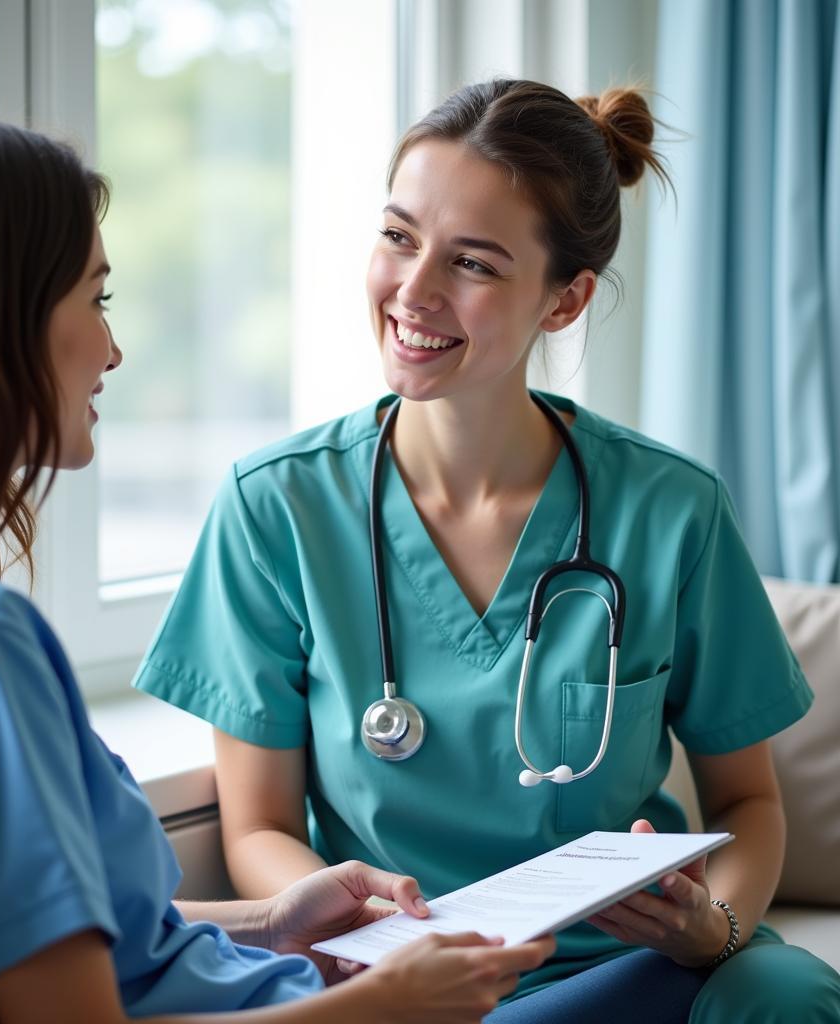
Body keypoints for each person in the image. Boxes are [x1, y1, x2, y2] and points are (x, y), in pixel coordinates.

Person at [0, 106, 556, 1024]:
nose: (114, 349)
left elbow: (92, 943)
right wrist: (388, 1007)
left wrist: (277, 921)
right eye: (96, 299)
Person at [134, 78, 840, 1022]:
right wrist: (377, 934)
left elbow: (750, 804)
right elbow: (257, 824)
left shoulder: (671, 509)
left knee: (784, 989)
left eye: (473, 262)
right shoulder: (279, 507)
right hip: (400, 982)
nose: (414, 290)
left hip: (628, 972)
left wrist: (715, 927)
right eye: (398, 236)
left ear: (565, 300)